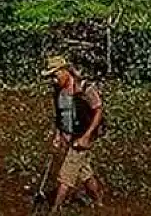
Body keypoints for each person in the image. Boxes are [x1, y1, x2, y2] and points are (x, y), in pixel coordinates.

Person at [43, 55, 105, 211]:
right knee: (85, 172)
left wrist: (85, 137)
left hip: (83, 136)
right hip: (70, 136)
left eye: (55, 75)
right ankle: (98, 201)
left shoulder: (84, 89)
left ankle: (55, 209)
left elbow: (98, 111)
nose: (53, 80)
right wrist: (58, 135)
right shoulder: (57, 91)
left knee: (65, 176)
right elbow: (60, 115)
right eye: (51, 77)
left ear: (64, 71)